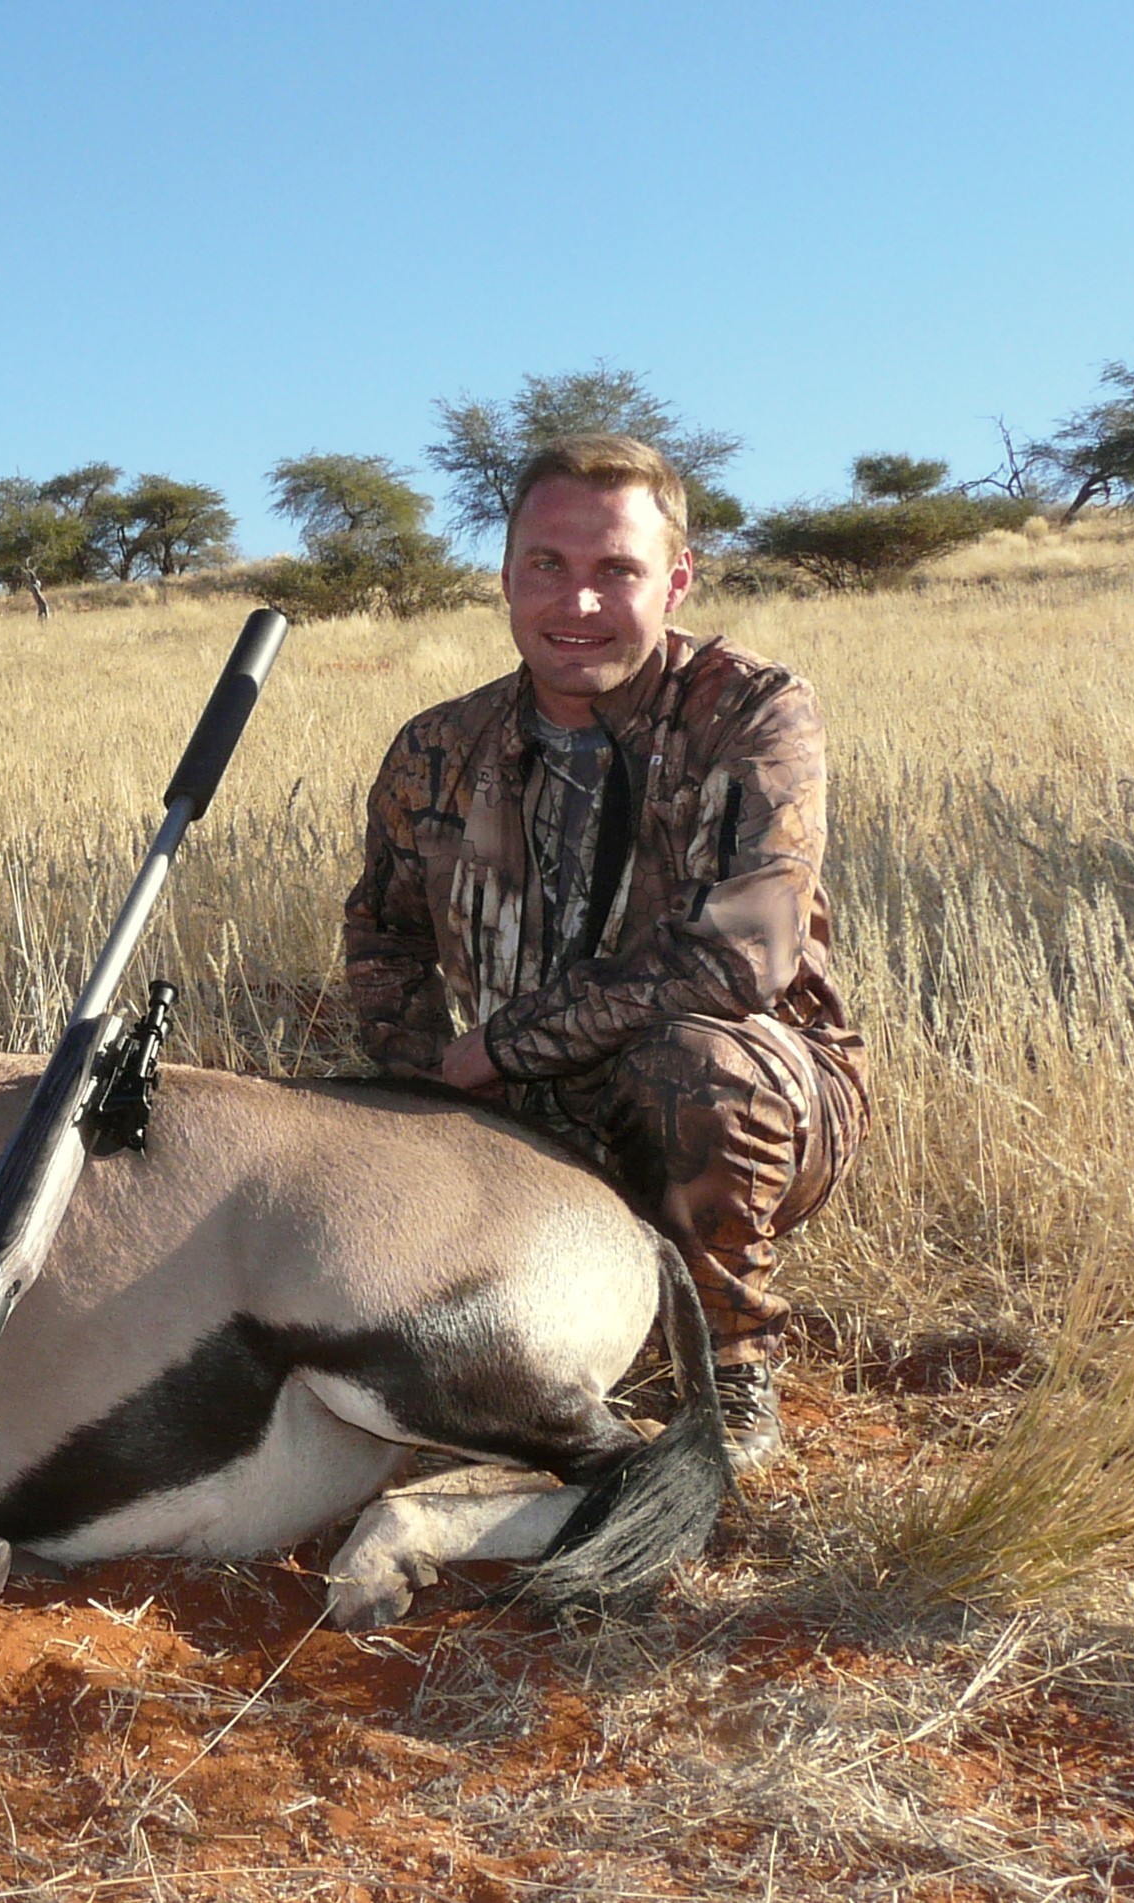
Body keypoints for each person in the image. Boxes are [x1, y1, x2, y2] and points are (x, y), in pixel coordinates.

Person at [340, 434, 866, 1472]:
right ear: (504, 576)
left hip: (747, 1094)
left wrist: (492, 1053)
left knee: (690, 1067)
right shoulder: (437, 746)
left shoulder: (750, 711)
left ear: (675, 580)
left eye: (614, 570)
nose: (575, 603)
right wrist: (417, 1092)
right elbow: (383, 938)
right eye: (547, 566)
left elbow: (741, 959)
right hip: (506, 1107)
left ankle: (725, 1364)